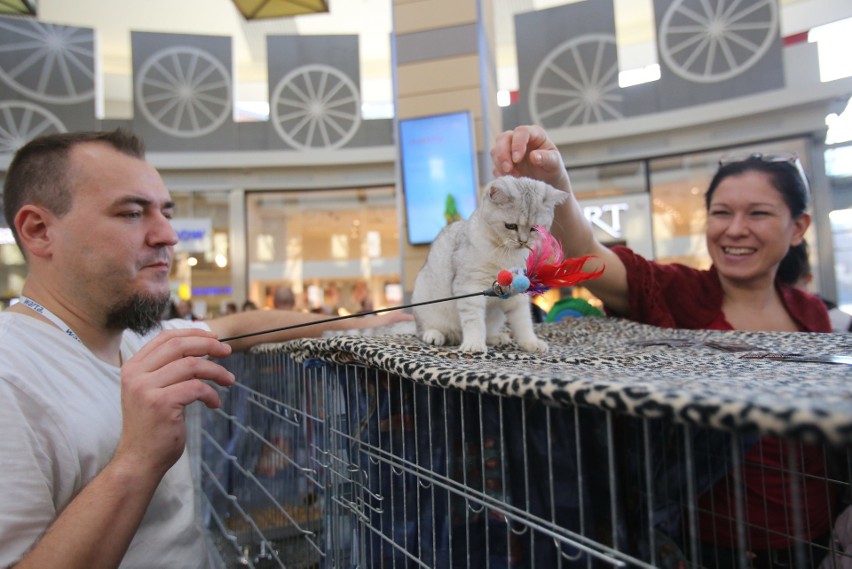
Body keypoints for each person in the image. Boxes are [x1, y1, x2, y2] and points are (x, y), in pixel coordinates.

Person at [0, 128, 412, 569]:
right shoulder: (12, 375)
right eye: (132, 213)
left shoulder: (139, 339)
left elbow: (240, 325)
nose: (168, 235)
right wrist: (138, 459)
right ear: (39, 230)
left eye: (166, 212)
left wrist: (362, 325)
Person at [491, 125, 835, 567]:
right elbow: (590, 257)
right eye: (721, 212)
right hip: (706, 545)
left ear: (797, 227)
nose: (735, 230)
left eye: (759, 214)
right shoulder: (679, 293)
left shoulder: (812, 315)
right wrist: (552, 185)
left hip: (814, 538)